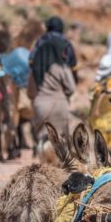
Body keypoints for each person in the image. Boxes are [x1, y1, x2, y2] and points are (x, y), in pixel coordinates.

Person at [28, 16, 76, 150]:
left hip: (41, 104)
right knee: (61, 144)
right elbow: (71, 87)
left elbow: (30, 92)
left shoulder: (39, 42)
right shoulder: (66, 46)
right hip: (60, 104)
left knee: (42, 141)